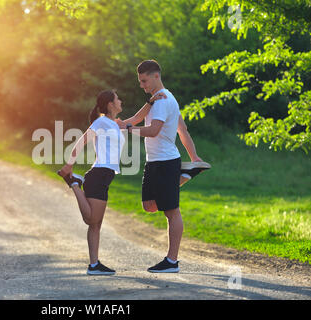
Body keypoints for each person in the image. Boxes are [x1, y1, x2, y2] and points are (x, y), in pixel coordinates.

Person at [116, 59, 210, 273]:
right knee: (149, 205)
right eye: (140, 82)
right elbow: (181, 129)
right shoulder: (156, 100)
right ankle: (185, 175)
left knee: (171, 211)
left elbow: (153, 131)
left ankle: (172, 261)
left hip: (166, 162)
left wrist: (128, 129)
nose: (142, 85)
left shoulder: (164, 100)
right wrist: (194, 157)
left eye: (144, 80)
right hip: (154, 162)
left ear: (156, 76)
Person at [58, 89, 165, 275]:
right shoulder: (100, 122)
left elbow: (136, 118)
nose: (121, 101)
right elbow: (82, 142)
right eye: (118, 99)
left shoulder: (115, 124)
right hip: (98, 174)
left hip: (105, 177)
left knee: (96, 224)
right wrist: (69, 165)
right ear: (110, 104)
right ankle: (74, 183)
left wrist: (150, 102)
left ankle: (94, 265)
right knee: (91, 219)